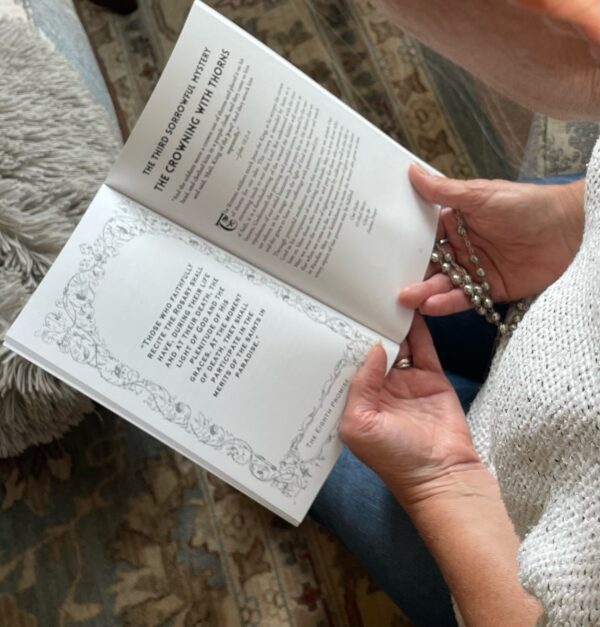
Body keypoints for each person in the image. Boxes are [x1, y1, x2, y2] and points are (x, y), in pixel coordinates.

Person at [310, 1, 600, 625]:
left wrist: (443, 480)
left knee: (307, 422)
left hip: (504, 534)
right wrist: (569, 222)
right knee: (373, 284)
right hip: (556, 307)